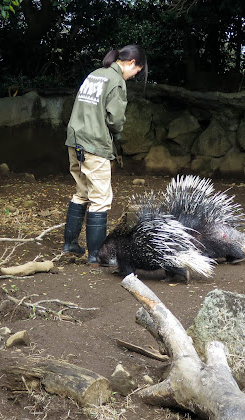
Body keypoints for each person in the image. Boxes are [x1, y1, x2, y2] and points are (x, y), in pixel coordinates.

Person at [62, 45, 147, 264]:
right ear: (131, 63)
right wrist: (116, 133)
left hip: (75, 141)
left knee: (82, 192)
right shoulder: (116, 81)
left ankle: (70, 244)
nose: (134, 76)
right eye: (136, 71)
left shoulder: (94, 75)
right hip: (94, 144)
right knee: (100, 198)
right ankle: (95, 255)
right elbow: (115, 120)